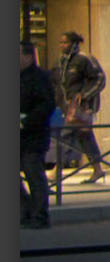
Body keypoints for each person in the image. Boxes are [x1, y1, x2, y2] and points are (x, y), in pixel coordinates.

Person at [55, 30, 107, 183]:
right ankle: (98, 169)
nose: (62, 45)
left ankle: (56, 170)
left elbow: (100, 78)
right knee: (85, 137)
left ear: (74, 44)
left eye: (65, 42)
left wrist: (84, 94)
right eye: (61, 42)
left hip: (83, 107)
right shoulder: (63, 61)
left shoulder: (85, 59)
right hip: (70, 106)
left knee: (65, 135)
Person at [20, 40, 56, 229]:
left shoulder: (40, 77)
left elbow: (47, 105)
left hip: (34, 136)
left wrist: (25, 121)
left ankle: (40, 215)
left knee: (34, 176)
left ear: (27, 56)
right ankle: (25, 210)